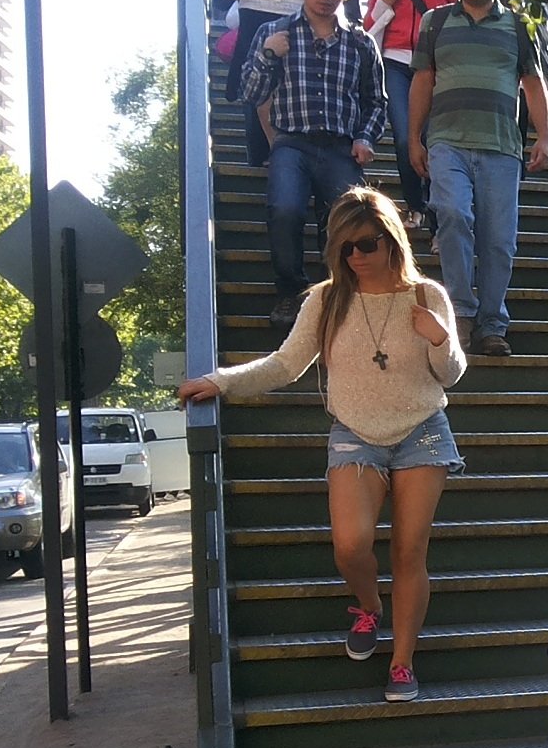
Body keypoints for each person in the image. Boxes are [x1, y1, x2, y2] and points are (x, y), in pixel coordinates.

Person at [178, 187, 466, 703]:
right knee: (351, 545)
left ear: (392, 241)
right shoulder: (327, 299)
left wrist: (441, 338)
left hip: (422, 431)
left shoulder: (427, 296)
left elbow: (449, 376)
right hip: (354, 432)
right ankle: (368, 606)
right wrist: (221, 381)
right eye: (345, 247)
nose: (355, 256)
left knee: (408, 550)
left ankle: (402, 663)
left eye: (366, 244)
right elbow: (285, 365)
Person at [408, 0, 548, 356]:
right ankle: (461, 313)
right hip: (446, 141)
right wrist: (412, 138)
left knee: (499, 241)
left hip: (502, 147)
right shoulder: (435, 22)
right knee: (452, 214)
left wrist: (544, 137)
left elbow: (533, 82)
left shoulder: (520, 25)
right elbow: (422, 80)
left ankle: (492, 324)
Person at [242, 0, 387, 329]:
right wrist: (268, 56)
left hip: (341, 146)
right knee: (285, 209)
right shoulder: (273, 32)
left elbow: (376, 101)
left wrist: (366, 137)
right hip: (291, 141)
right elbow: (250, 93)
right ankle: (290, 292)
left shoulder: (360, 42)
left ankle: (336, 294)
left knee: (344, 224)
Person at [364, 0, 460, 228]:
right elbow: (369, 25)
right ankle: (414, 206)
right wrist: (383, 2)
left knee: (432, 138)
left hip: (433, 64)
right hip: (395, 63)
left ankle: (435, 213)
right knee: (406, 136)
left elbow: (458, 10)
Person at [200, 0, 300, 166]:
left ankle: (292, 152)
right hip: (254, 10)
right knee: (256, 81)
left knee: (292, 82)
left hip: (296, 11)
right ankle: (262, 153)